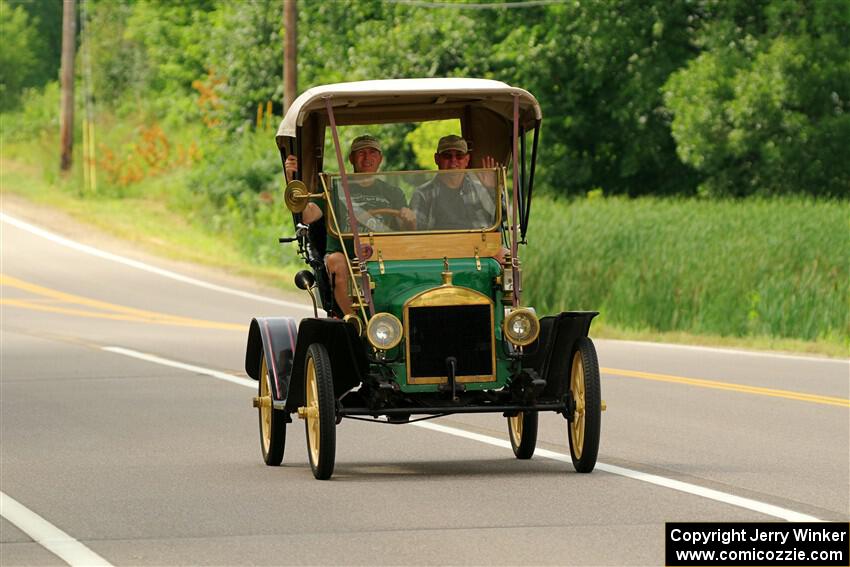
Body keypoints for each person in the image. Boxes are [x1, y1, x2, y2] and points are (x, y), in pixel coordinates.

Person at [285, 135, 415, 315]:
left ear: (380, 158)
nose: (367, 157)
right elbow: (307, 216)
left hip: (383, 253)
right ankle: (354, 322)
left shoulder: (393, 192)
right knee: (336, 262)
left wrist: (409, 217)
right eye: (361, 153)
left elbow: (408, 229)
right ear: (352, 158)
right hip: (344, 253)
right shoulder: (333, 189)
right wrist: (291, 178)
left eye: (372, 152)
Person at [409, 135, 499, 231]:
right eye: (447, 156)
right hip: (438, 245)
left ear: (467, 160)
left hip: (477, 244)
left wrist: (492, 190)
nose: (453, 160)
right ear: (437, 159)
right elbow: (416, 232)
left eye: (459, 156)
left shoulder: (481, 189)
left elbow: (503, 218)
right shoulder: (422, 194)